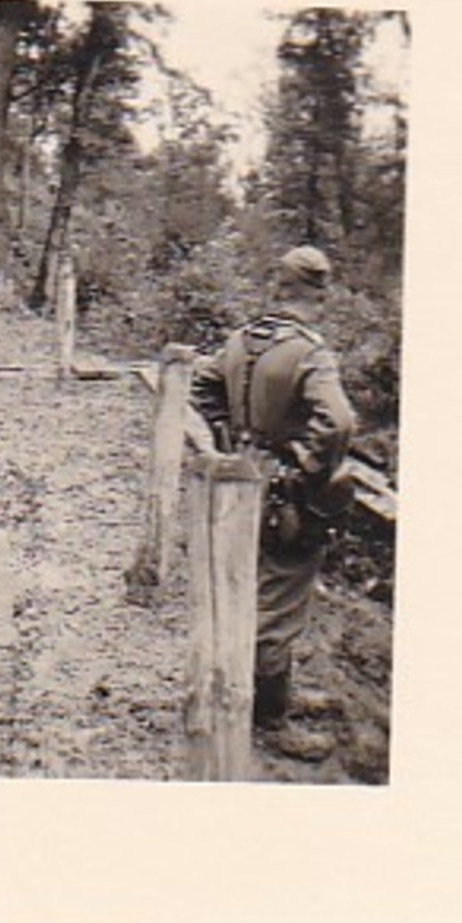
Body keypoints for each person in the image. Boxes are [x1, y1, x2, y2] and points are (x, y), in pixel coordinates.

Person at [189, 245, 358, 760]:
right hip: (285, 492)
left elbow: (202, 386)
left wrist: (231, 442)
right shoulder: (309, 352)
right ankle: (268, 721)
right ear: (318, 293)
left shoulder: (242, 340)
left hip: (242, 479)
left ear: (279, 289)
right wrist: (306, 471)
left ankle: (262, 693)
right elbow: (341, 421)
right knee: (279, 598)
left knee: (249, 586)